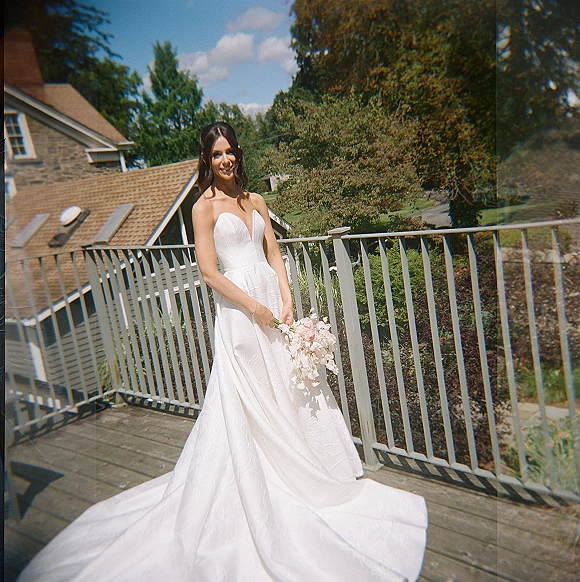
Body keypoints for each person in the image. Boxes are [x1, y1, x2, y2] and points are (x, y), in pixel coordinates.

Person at [18, 122, 427, 582]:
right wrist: (253, 306)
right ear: (206, 160)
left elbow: (274, 254)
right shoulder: (202, 208)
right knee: (251, 399)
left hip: (272, 306)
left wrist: (285, 297)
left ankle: (311, 469)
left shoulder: (256, 201)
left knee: (289, 389)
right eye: (217, 154)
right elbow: (210, 273)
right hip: (239, 314)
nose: (226, 160)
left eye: (230, 151)